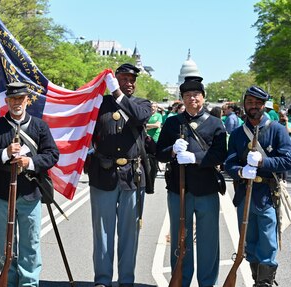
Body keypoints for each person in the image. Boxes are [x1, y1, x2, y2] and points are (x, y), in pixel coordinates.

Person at [0, 82, 59, 286]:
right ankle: (8, 279)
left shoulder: (39, 126)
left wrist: (30, 162)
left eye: (20, 98)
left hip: (29, 192)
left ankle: (29, 283)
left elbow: (52, 154)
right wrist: (4, 154)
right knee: (5, 243)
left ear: (27, 100)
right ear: (7, 101)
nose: (16, 103)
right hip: (1, 192)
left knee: (30, 243)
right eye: (12, 99)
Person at [155, 76, 227, 287]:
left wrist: (195, 158)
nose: (191, 98)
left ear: (203, 97)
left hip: (206, 189)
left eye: (196, 94)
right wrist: (172, 152)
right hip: (179, 189)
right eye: (187, 95)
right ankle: (181, 280)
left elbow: (220, 153)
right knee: (180, 238)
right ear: (182, 99)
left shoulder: (215, 123)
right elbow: (159, 153)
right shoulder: (172, 122)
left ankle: (207, 282)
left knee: (208, 240)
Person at [86, 63, 151, 287]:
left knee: (129, 234)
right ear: (115, 79)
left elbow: (140, 118)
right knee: (102, 233)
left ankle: (126, 281)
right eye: (123, 79)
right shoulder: (100, 104)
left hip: (131, 176)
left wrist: (117, 93)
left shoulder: (141, 104)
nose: (128, 83)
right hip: (103, 174)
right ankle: (102, 280)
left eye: (132, 80)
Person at [224, 86, 291, 286]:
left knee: (268, 242)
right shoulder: (237, 134)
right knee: (249, 242)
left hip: (268, 195)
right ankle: (256, 279)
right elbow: (229, 162)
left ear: (264, 105)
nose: (253, 106)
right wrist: (240, 171)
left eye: (257, 103)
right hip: (245, 193)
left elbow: (288, 160)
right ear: (244, 104)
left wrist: (263, 162)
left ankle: (265, 283)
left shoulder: (277, 129)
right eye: (250, 102)